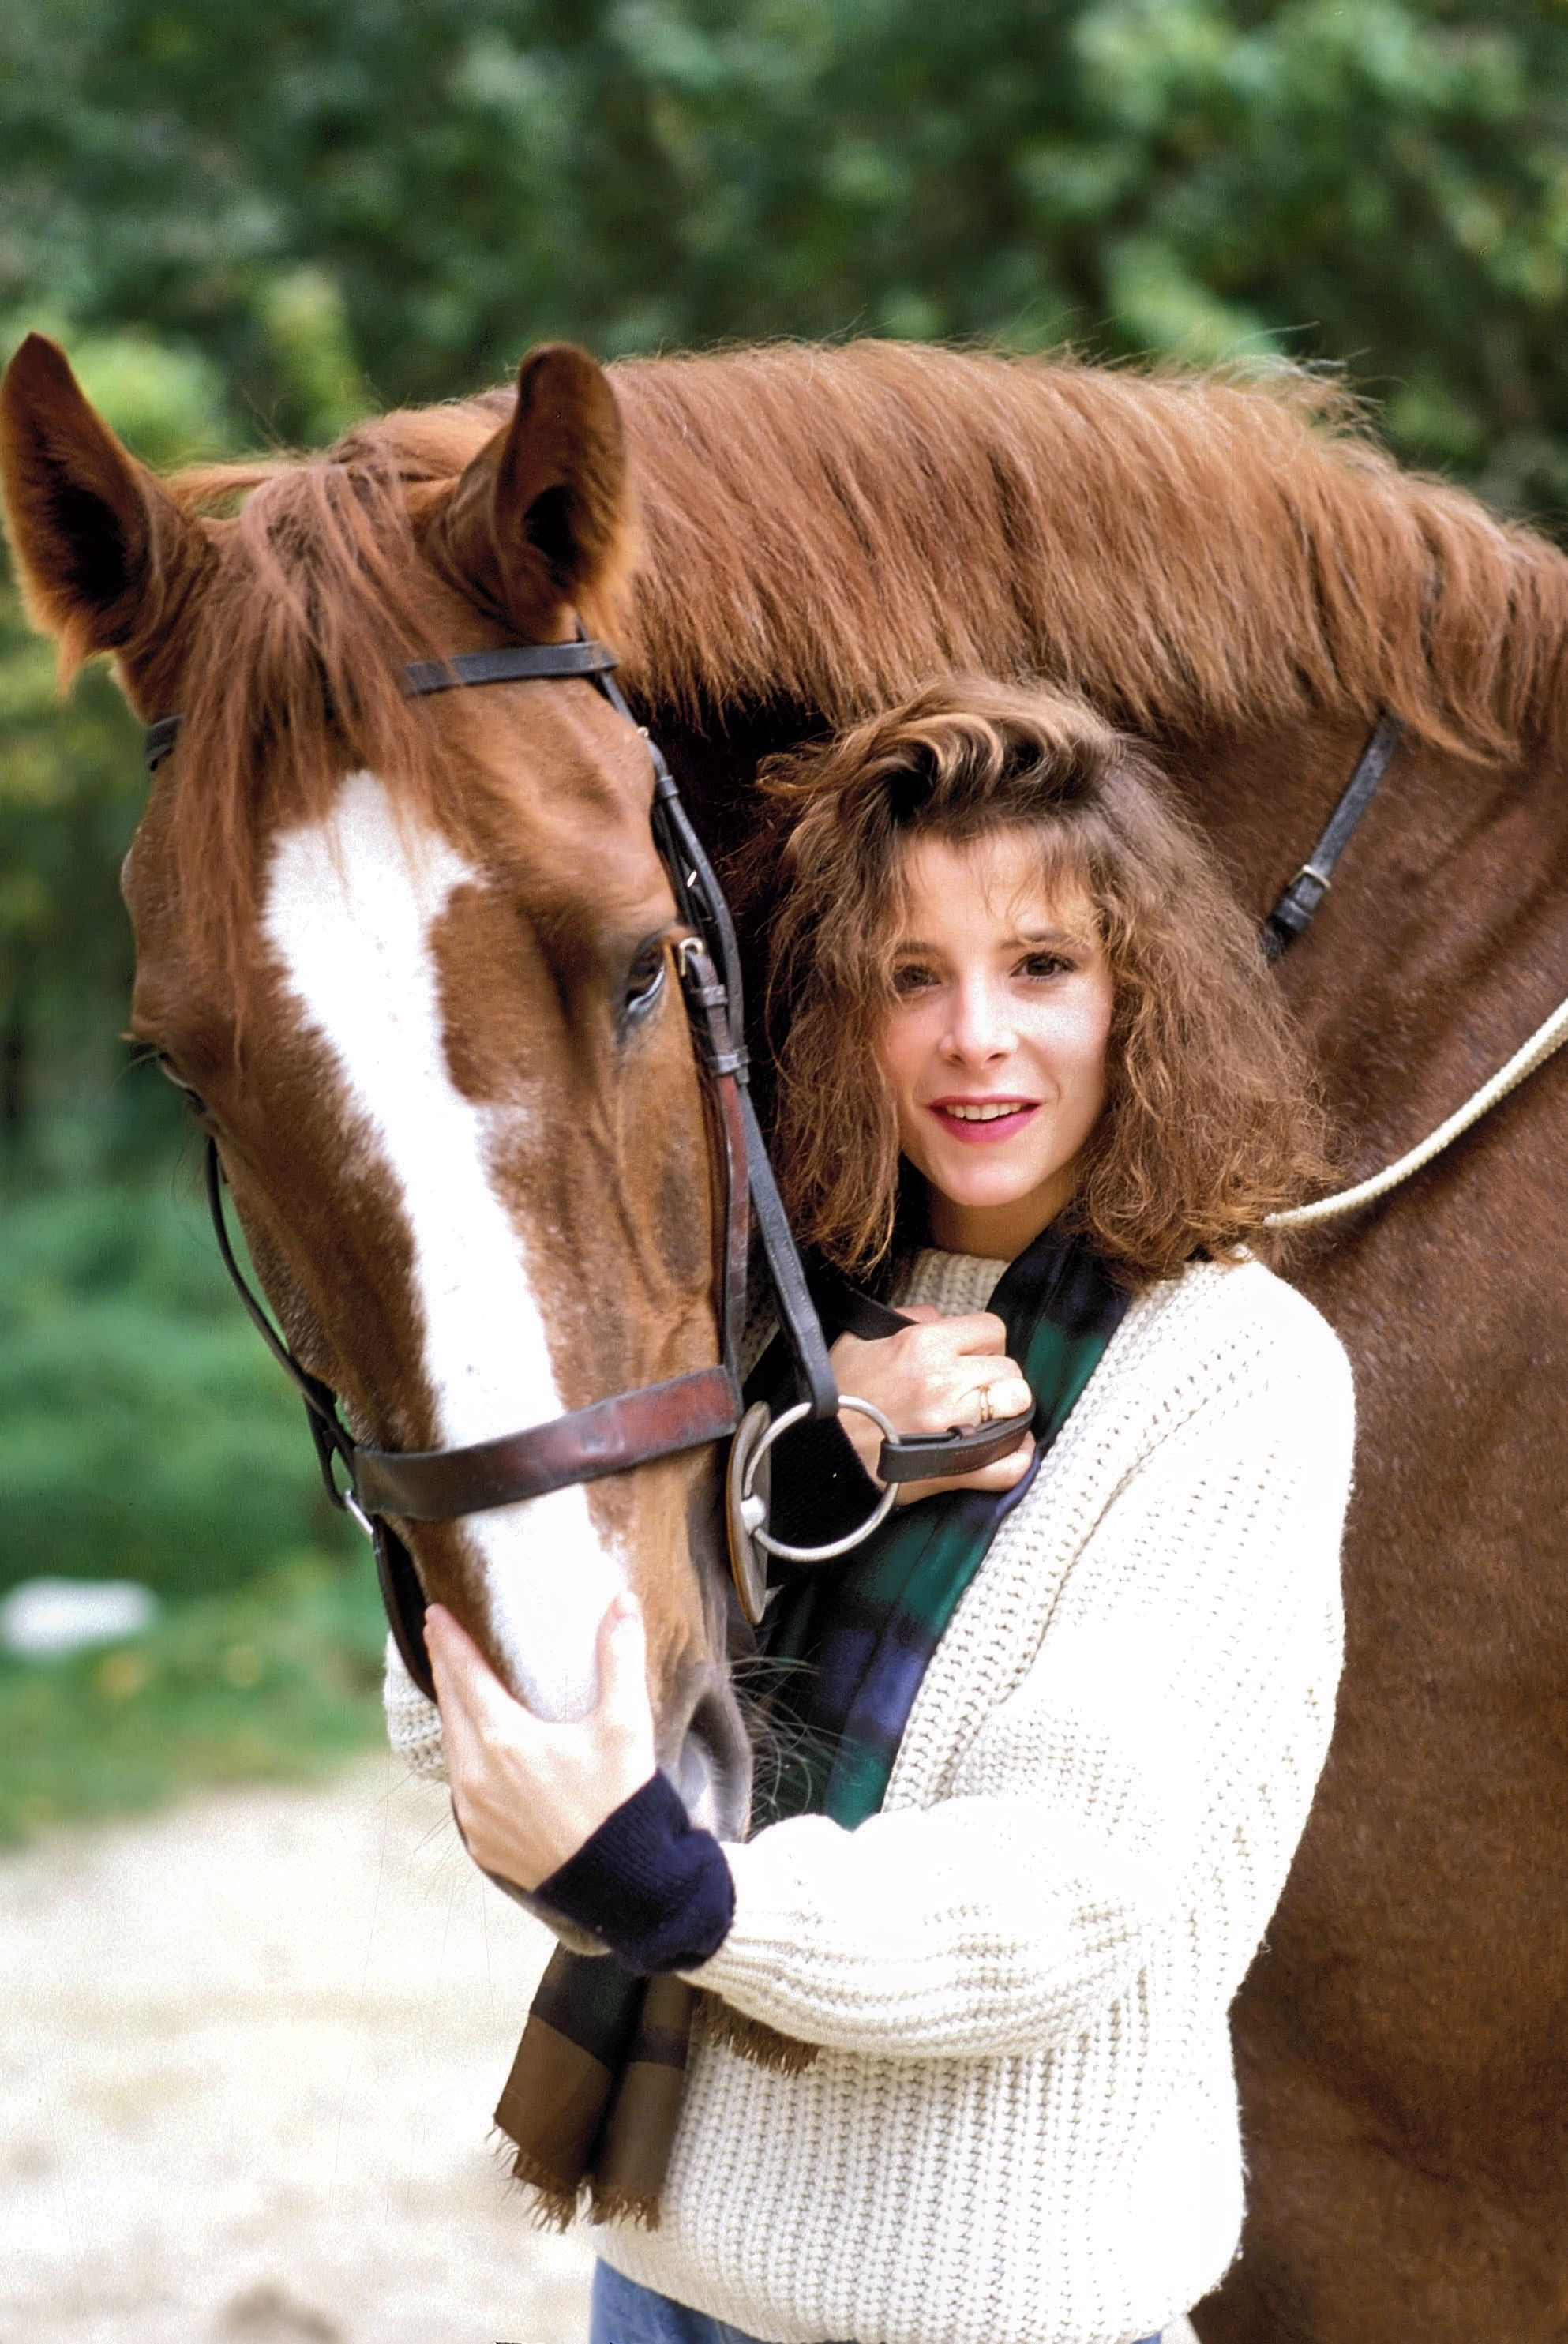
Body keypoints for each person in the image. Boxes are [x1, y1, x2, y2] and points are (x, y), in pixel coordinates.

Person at [394, 679, 1354, 2344]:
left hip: (1008, 2315)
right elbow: (486, 1716)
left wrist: (678, 1895)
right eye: (915, 977)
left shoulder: (1235, 1370)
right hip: (667, 2277)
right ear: (846, 1015)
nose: (976, 1034)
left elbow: (1071, 1885)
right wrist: (821, 1457)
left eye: (1041, 966)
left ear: (1143, 997)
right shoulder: (771, 1319)